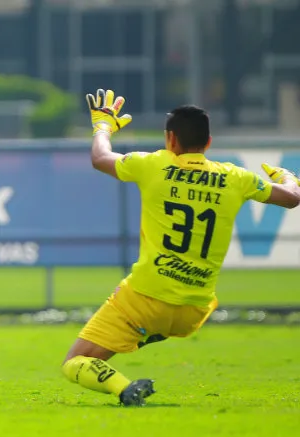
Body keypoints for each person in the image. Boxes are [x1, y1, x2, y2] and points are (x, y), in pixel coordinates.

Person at [62, 89, 300, 406]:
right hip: (194, 310)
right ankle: (148, 332)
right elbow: (291, 198)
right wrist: (288, 177)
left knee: (74, 362)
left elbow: (100, 158)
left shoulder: (154, 165)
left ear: (170, 140)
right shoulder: (236, 178)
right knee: (165, 319)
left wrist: (103, 126)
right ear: (209, 143)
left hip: (145, 299)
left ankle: (124, 388)